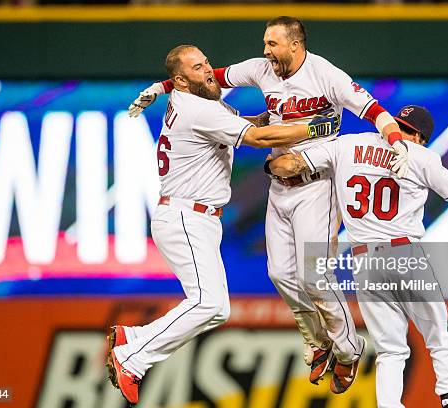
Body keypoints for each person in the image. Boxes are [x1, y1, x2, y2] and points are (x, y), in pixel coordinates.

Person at [127, 16, 408, 393]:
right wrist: (162, 87)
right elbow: (214, 76)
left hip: (317, 186)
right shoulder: (263, 69)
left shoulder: (325, 74)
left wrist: (396, 139)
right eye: (265, 43)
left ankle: (346, 350)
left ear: (295, 44)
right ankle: (318, 342)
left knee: (314, 277)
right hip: (279, 185)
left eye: (272, 43)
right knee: (279, 273)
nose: (265, 50)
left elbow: (372, 109)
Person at [105, 44, 341, 405]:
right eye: (198, 68)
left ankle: (133, 340)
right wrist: (315, 127)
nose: (208, 71)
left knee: (215, 307)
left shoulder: (200, 102)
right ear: (181, 80)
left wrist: (280, 117)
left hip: (195, 217)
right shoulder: (197, 109)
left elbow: (252, 125)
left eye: (207, 63)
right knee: (208, 304)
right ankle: (131, 359)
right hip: (186, 216)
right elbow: (259, 139)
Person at [267, 105, 448, 408]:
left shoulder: (349, 145)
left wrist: (272, 163)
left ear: (393, 124)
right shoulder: (421, 156)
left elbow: (290, 165)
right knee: (439, 335)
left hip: (364, 262)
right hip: (404, 253)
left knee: (390, 351)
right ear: (419, 136)